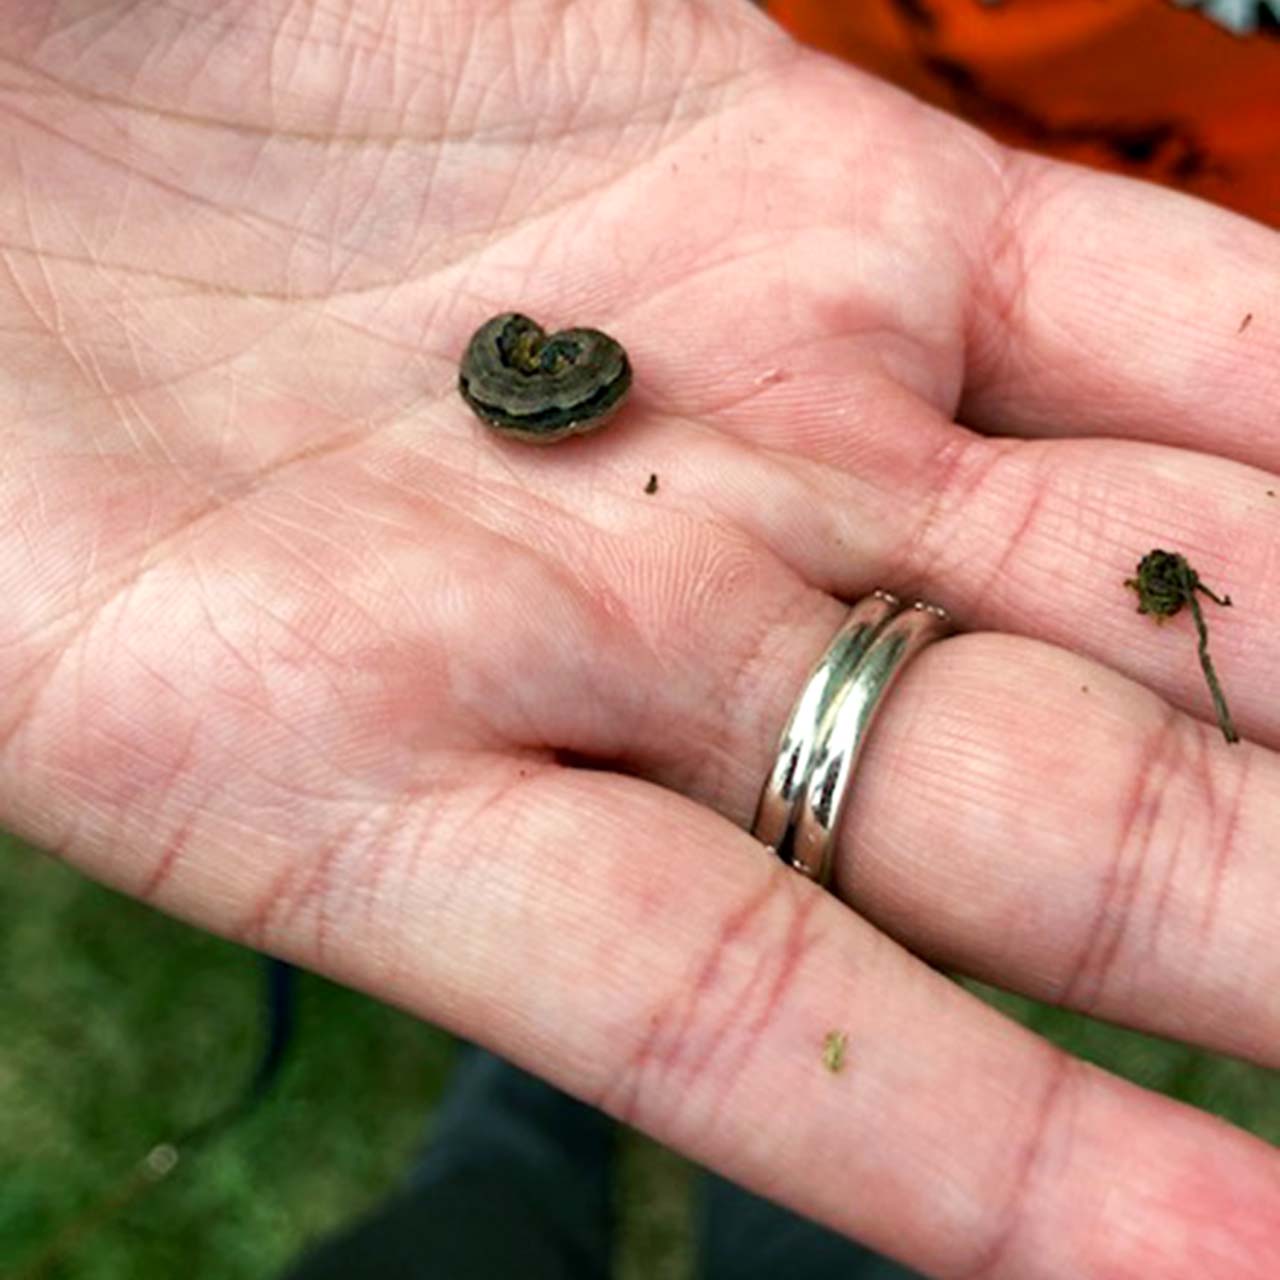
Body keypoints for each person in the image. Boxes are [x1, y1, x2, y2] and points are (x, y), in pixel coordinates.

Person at [2, 1, 1278, 1276]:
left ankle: (523, 1115)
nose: (553, 369)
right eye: (541, 370)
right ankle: (603, 1134)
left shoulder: (554, 371)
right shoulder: (564, 367)